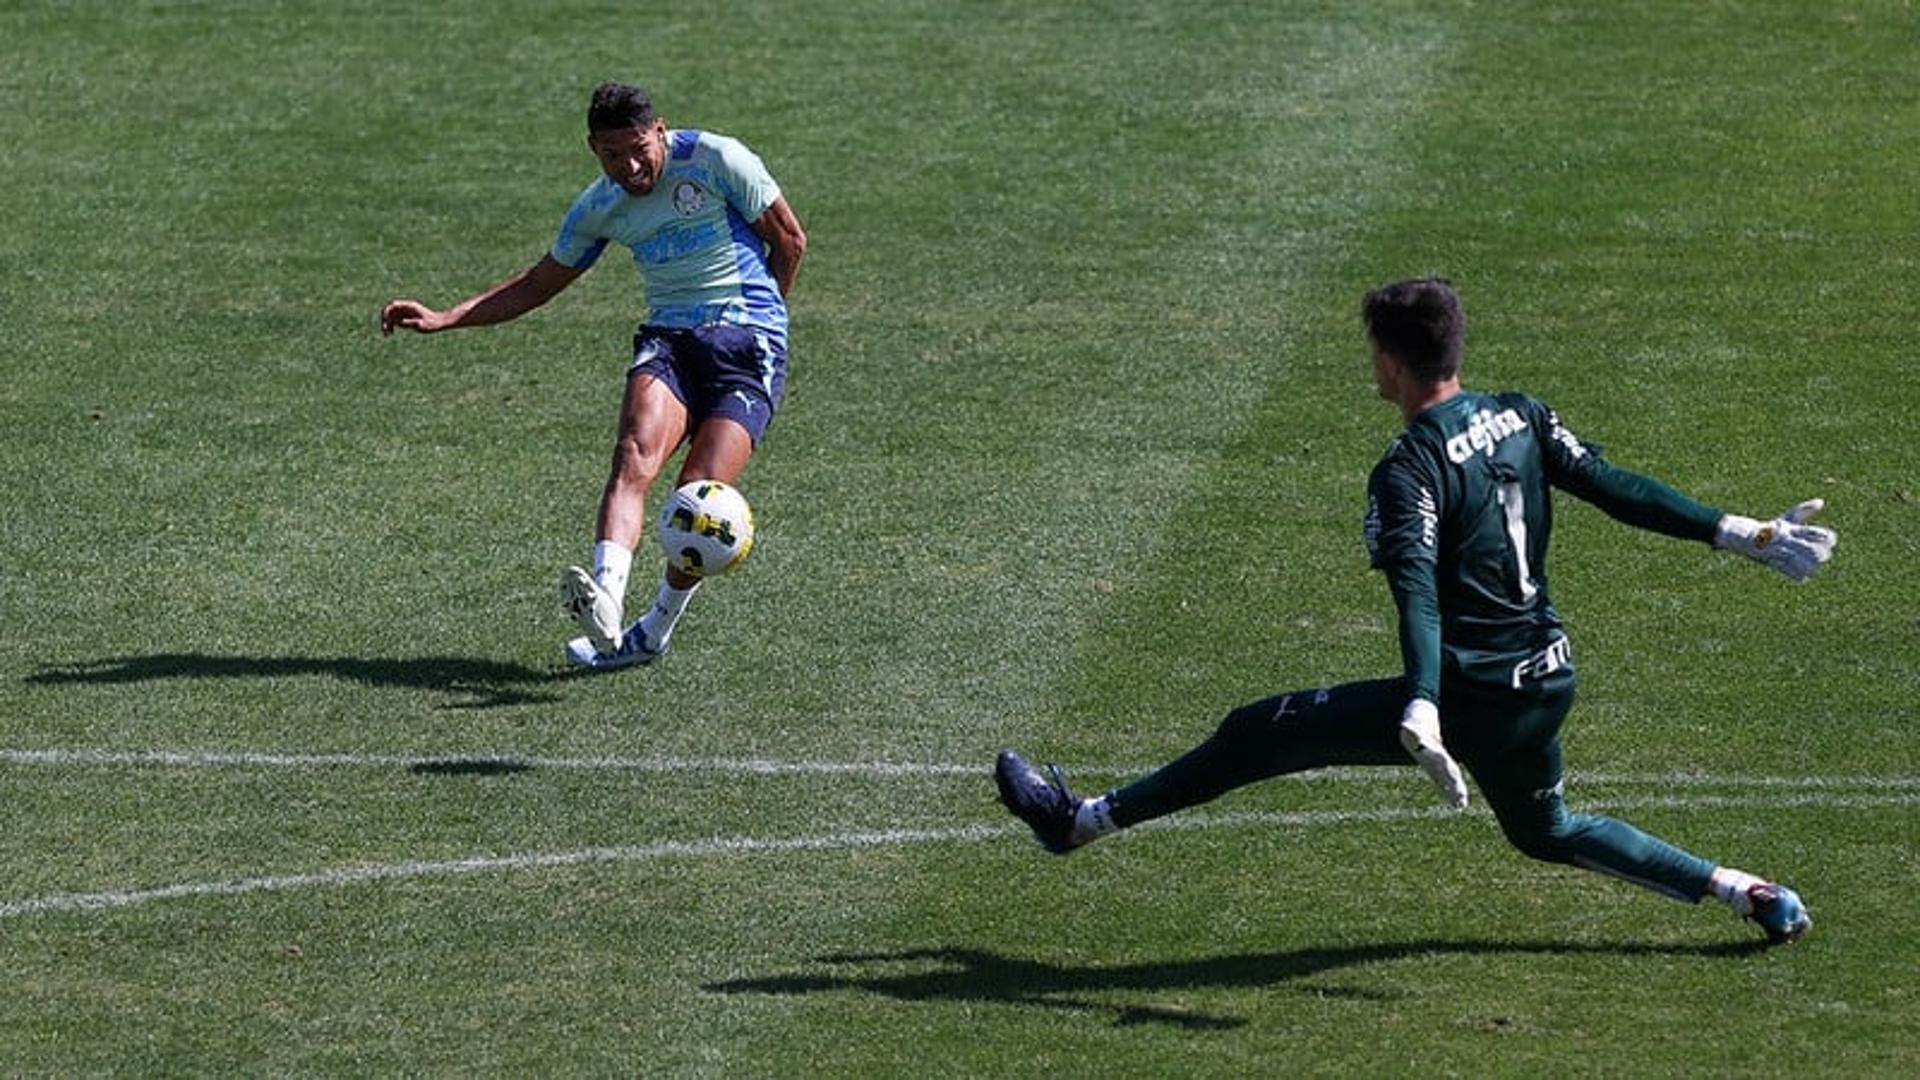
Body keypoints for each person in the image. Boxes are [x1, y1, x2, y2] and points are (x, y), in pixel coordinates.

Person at [995, 278, 1836, 945]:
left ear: (1390, 362)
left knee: (1257, 732)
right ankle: (1745, 891)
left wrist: (1425, 703)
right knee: (1544, 829)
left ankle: (1075, 825)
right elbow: (1614, 486)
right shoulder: (1519, 414)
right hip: (1546, 677)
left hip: (1470, 693)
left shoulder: (1409, 469)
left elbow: (1419, 594)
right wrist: (1734, 531)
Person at [380, 82, 806, 668]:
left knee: (697, 499)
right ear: (593, 150)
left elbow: (789, 240)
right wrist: (445, 317)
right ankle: (605, 601)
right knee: (633, 455)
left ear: (660, 131)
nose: (630, 167)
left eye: (639, 149)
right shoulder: (599, 207)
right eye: (612, 155)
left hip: (746, 342)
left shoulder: (715, 159)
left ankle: (653, 629)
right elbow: (537, 283)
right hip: (670, 340)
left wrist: (764, 323)